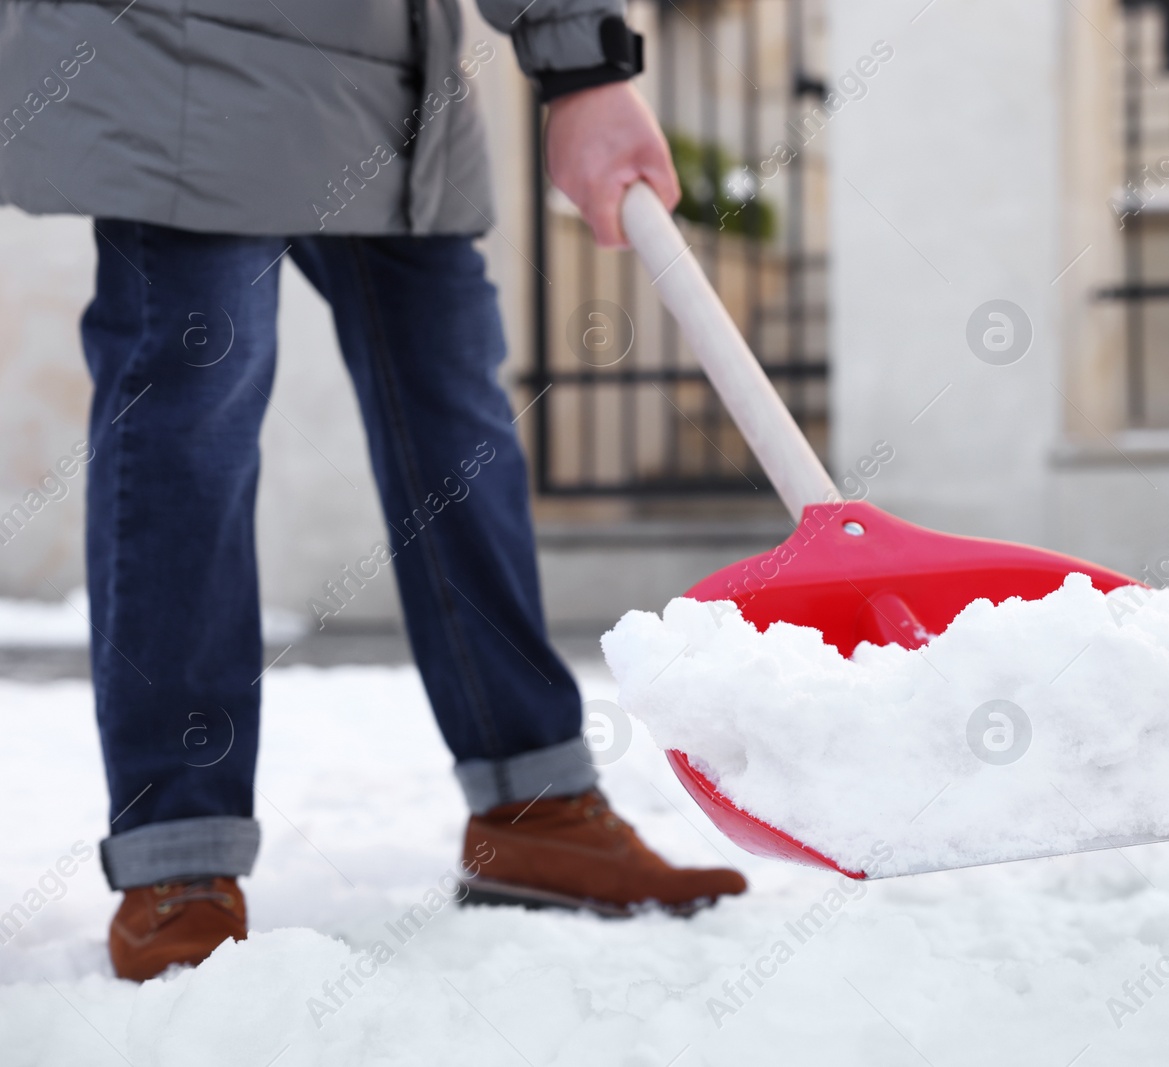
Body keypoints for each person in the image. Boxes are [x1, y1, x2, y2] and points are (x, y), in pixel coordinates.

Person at [0, 0, 746, 982]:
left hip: (398, 70)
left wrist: (580, 63)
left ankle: (535, 805)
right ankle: (179, 853)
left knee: (455, 408)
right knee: (193, 410)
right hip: (186, 45)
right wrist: (581, 71)